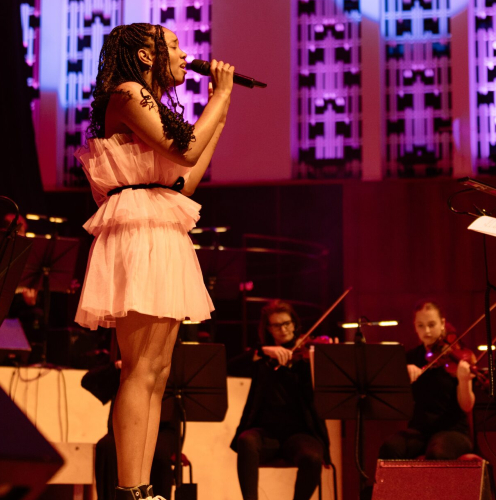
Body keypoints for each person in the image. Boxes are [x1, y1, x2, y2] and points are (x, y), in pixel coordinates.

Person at [74, 23, 234, 500]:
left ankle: (140, 488)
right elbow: (184, 147)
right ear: (145, 56)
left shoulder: (150, 106)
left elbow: (183, 180)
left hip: (161, 223)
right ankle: (129, 488)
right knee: (139, 368)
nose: (185, 56)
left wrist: (219, 119)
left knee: (157, 371)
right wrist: (218, 99)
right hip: (138, 228)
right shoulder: (127, 94)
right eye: (175, 46)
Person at [231, 300, 331, 500]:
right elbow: (230, 366)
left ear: (294, 324)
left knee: (312, 457)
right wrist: (264, 351)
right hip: (266, 433)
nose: (283, 329)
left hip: (301, 433)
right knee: (246, 441)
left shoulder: (307, 355)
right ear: (268, 329)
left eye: (287, 323)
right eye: (276, 325)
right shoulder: (263, 357)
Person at [379, 300, 475, 460]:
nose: (427, 331)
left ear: (442, 323)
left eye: (432, 324)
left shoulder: (457, 358)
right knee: (390, 447)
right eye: (421, 325)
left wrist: (464, 380)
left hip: (453, 432)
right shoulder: (410, 358)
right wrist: (403, 376)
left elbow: (467, 406)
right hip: (419, 431)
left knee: (438, 452)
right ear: (414, 326)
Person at [82, 359, 179, 500]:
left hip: (164, 429)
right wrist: (116, 366)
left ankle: (148, 494)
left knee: (159, 451)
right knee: (106, 446)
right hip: (122, 429)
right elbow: (88, 381)